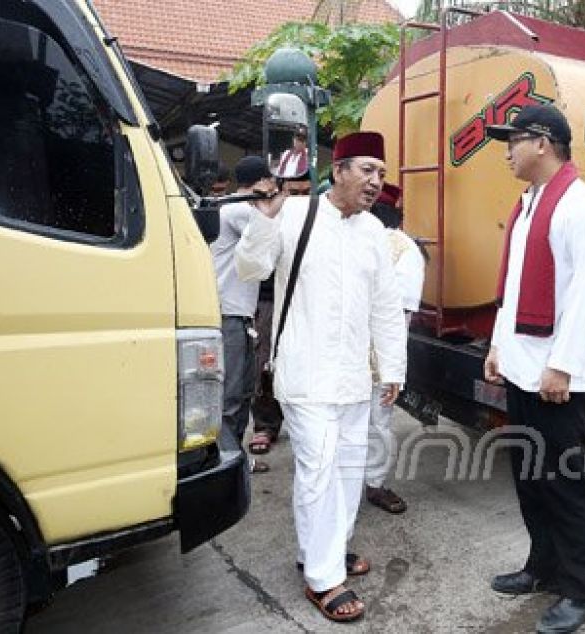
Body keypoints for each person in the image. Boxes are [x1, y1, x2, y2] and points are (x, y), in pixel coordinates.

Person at [236, 132, 406, 623]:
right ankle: (322, 578)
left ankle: (326, 550)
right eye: (366, 170)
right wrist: (264, 220)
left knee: (351, 469)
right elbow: (250, 270)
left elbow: (386, 307)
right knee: (318, 471)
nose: (375, 181)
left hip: (355, 375)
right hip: (306, 373)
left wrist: (392, 368)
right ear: (339, 171)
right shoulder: (294, 214)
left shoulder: (374, 231)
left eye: (380, 172)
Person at [482, 104, 585, 634]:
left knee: (563, 482)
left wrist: (560, 367)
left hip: (557, 379)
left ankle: (582, 591)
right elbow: (512, 288)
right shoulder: (529, 205)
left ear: (542, 142)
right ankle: (543, 567)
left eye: (512, 141)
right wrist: (497, 346)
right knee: (530, 477)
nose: (507, 152)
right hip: (521, 368)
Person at [364, 183, 425, 514]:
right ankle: (372, 484)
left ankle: (370, 482)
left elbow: (396, 316)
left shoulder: (398, 248)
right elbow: (403, 317)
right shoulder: (406, 249)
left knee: (366, 422)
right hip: (363, 355)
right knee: (374, 423)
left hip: (364, 353)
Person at [211, 156, 273, 473]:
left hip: (239, 315)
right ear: (262, 181)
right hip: (228, 315)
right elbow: (273, 240)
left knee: (243, 392)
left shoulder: (236, 207)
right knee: (230, 396)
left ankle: (235, 461)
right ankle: (226, 464)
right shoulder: (238, 210)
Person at [249, 169, 312, 457]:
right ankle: (265, 424)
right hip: (269, 301)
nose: (298, 199)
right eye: (292, 192)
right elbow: (251, 262)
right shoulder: (269, 215)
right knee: (265, 365)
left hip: (308, 301)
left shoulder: (322, 218)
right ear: (280, 190)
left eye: (304, 192)